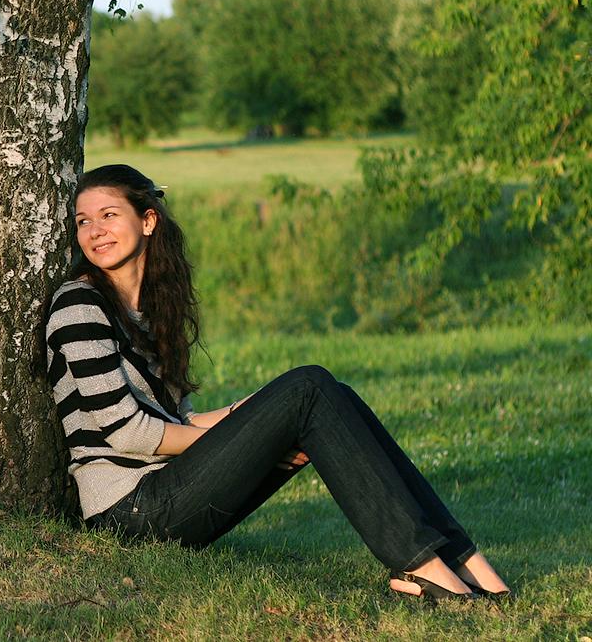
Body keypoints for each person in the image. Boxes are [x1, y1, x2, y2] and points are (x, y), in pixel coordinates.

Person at [45, 163, 511, 601]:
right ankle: (422, 566)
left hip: (167, 489)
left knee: (331, 397)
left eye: (108, 215)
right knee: (308, 389)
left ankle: (462, 558)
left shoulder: (150, 309)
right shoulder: (79, 307)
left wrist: (254, 422)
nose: (95, 231)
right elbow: (129, 433)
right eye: (83, 221)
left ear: (148, 221)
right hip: (130, 511)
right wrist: (250, 437)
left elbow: (176, 419)